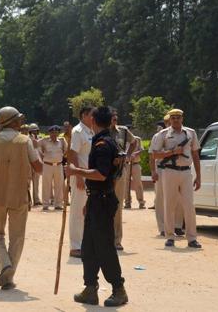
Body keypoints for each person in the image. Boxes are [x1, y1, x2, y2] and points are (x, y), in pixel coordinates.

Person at [67, 106, 128, 307]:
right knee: (88, 247)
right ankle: (90, 288)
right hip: (97, 199)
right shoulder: (106, 140)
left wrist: (77, 171)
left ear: (93, 120)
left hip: (102, 200)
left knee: (104, 247)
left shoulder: (102, 144)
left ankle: (118, 289)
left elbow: (101, 174)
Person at [0, 106, 42, 290]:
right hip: (19, 196)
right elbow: (38, 166)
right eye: (18, 120)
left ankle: (5, 264)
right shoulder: (25, 141)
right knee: (17, 237)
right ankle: (9, 273)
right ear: (13, 122)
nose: (21, 122)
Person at [151, 108, 202, 248]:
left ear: (182, 118)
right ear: (170, 119)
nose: (175, 120)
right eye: (173, 118)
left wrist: (198, 177)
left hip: (186, 172)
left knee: (189, 205)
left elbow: (196, 155)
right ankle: (169, 236)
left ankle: (192, 238)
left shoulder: (190, 133)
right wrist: (172, 152)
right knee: (169, 204)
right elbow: (155, 155)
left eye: (178, 117)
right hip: (169, 171)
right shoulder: (163, 134)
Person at [149, 118, 184, 236]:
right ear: (166, 123)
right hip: (161, 168)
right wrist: (153, 171)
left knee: (178, 198)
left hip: (177, 168)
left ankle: (177, 225)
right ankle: (163, 227)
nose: (172, 123)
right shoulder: (158, 136)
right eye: (169, 121)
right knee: (161, 199)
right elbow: (151, 155)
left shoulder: (182, 134)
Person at [68, 106, 94, 258]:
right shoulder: (78, 131)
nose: (94, 117)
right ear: (84, 115)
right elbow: (72, 154)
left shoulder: (91, 131)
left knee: (88, 211)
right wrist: (78, 176)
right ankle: (75, 246)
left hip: (90, 174)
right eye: (92, 115)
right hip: (80, 175)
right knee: (78, 211)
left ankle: (85, 243)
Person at [109, 109, 137, 250]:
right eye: (112, 117)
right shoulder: (102, 131)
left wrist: (127, 155)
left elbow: (134, 142)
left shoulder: (124, 131)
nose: (114, 120)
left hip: (120, 170)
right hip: (105, 170)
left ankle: (117, 240)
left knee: (118, 205)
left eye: (116, 117)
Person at [39, 125, 67, 210]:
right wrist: (41, 156)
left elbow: (66, 150)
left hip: (58, 165)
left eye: (56, 132)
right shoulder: (44, 141)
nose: (54, 134)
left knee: (59, 185)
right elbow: (36, 146)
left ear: (58, 133)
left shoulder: (62, 141)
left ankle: (58, 204)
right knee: (46, 185)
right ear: (49, 133)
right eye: (52, 132)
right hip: (47, 165)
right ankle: (45, 204)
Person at [126, 135, 146, 209]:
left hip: (136, 164)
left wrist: (135, 154)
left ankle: (141, 202)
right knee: (126, 184)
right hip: (126, 165)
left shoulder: (137, 139)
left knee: (138, 183)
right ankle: (127, 202)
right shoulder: (124, 138)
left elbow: (142, 149)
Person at [28, 123, 42, 205]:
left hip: (37, 162)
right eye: (32, 131)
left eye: (36, 131)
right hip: (30, 163)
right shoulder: (27, 139)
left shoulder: (40, 139)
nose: (34, 132)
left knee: (36, 182)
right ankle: (28, 199)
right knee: (28, 182)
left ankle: (36, 199)